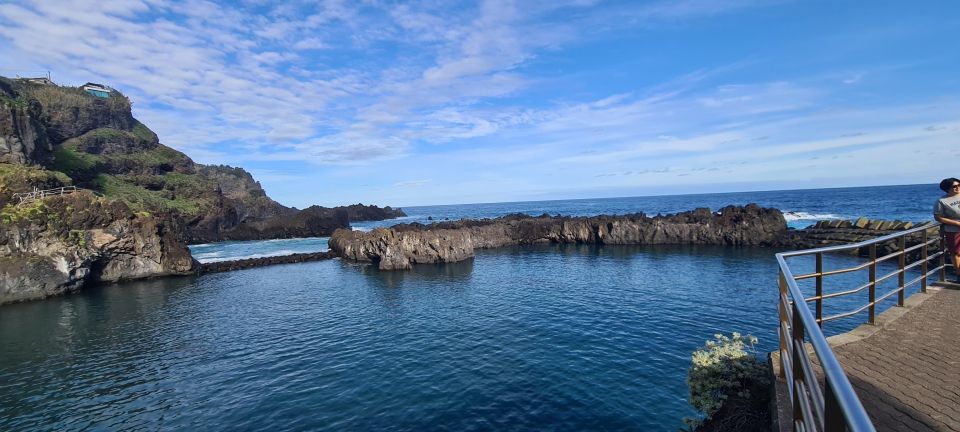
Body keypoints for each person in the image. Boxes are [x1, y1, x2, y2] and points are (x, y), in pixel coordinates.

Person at [934, 177, 960, 282]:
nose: (958, 188)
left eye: (959, 185)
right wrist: (956, 223)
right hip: (953, 230)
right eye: (954, 186)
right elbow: (938, 217)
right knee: (956, 253)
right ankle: (959, 275)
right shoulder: (942, 201)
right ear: (947, 189)